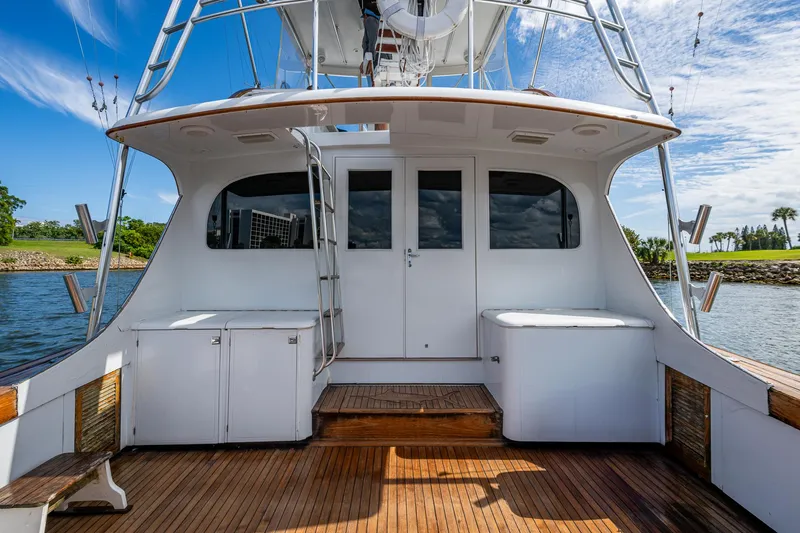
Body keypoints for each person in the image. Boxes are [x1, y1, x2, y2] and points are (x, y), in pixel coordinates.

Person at [358, 0, 380, 73]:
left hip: (370, 16)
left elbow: (366, 44)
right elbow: (372, 42)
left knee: (365, 43)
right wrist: (369, 61)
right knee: (369, 43)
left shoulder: (369, 20)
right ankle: (369, 63)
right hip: (372, 16)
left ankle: (368, 63)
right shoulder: (371, 20)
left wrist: (366, 61)